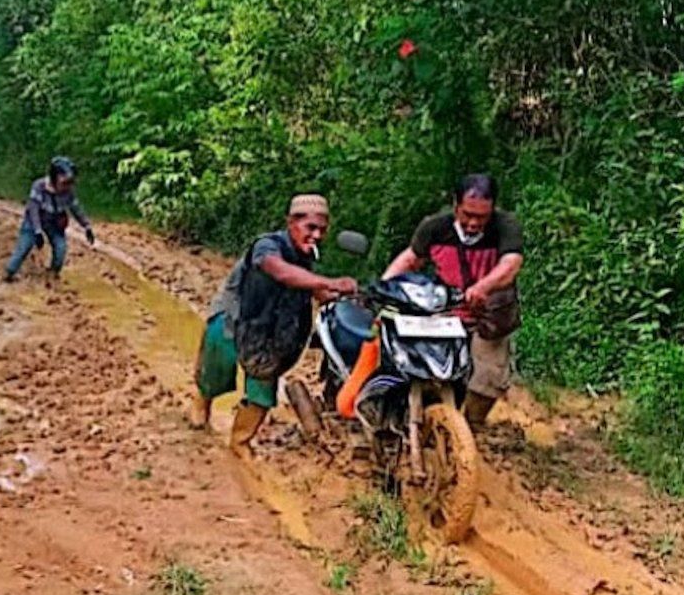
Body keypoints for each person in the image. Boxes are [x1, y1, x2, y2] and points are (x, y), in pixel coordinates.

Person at [192, 194, 358, 459]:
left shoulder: (306, 255)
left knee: (262, 389)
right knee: (215, 369)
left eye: (322, 230)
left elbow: (310, 286)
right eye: (310, 228)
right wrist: (329, 282)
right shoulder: (268, 246)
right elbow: (279, 271)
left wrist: (342, 294)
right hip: (236, 317)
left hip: (271, 331)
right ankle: (202, 403)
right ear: (291, 222)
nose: (316, 235)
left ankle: (240, 441)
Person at [382, 173, 524, 426]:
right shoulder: (435, 227)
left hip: (489, 317)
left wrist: (484, 287)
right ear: (455, 205)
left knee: (488, 380)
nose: (473, 223)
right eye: (467, 214)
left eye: (481, 217)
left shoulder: (505, 226)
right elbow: (411, 259)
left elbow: (511, 263)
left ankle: (470, 427)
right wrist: (383, 287)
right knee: (415, 365)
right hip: (444, 313)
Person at [3, 156, 95, 282]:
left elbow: (76, 209)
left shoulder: (68, 193)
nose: (67, 186)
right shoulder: (39, 186)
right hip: (34, 222)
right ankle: (9, 273)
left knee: (61, 249)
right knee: (24, 247)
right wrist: (37, 230)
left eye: (70, 182)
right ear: (54, 178)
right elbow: (33, 209)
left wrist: (87, 226)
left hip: (55, 223)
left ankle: (52, 274)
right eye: (64, 183)